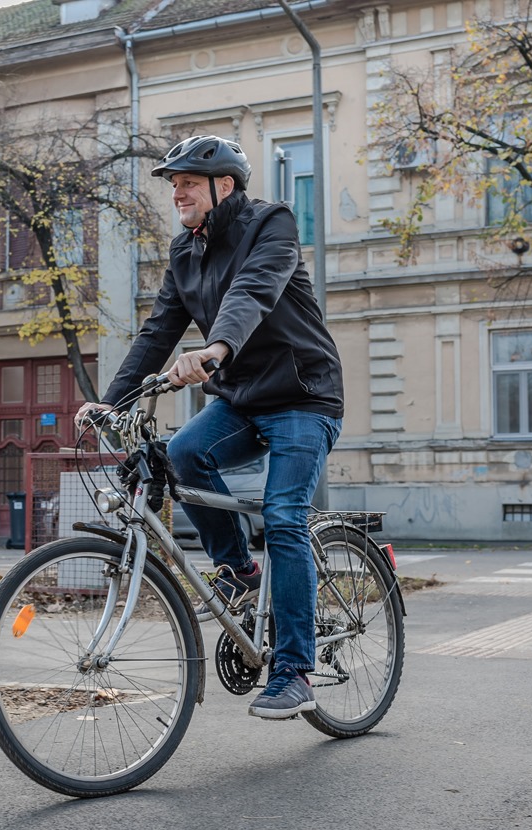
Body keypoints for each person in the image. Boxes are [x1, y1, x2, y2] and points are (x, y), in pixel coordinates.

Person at [75, 134, 344, 720]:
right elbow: (158, 330)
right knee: (180, 455)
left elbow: (254, 291)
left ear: (224, 186)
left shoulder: (270, 224)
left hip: (303, 397)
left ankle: (295, 671)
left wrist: (217, 347)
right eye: (173, 187)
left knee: (282, 515)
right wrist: (111, 403)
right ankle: (239, 571)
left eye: (188, 184)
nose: (178, 195)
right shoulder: (185, 252)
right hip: (241, 401)